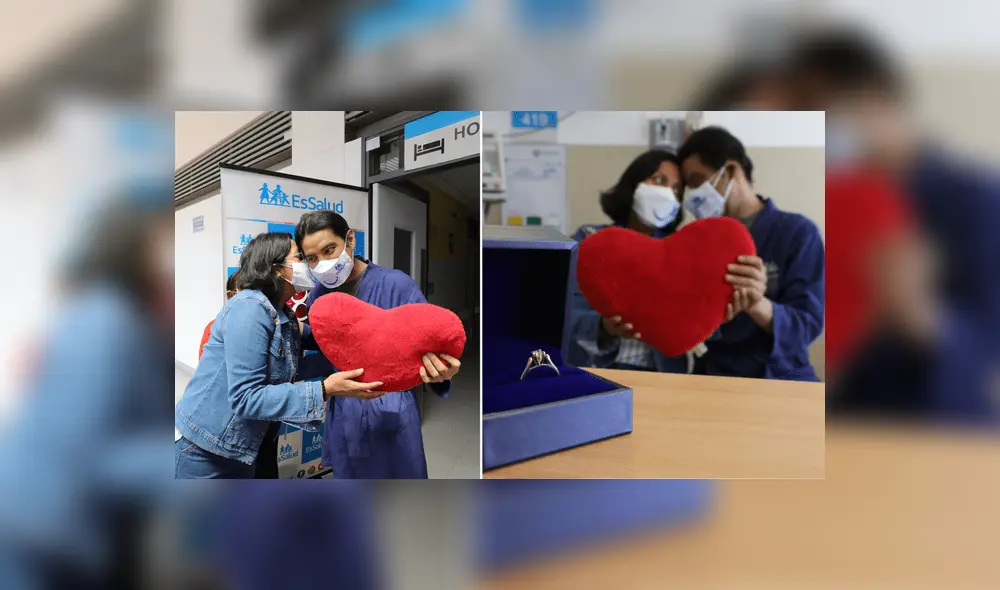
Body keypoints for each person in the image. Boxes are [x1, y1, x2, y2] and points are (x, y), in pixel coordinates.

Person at [787, 29, 1000, 420]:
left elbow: (987, 346)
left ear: (877, 96)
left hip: (939, 428)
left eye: (824, 110)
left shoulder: (975, 199)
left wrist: (920, 315)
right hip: (839, 419)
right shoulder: (827, 201)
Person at [175, 232, 386, 479]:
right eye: (299, 258)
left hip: (242, 446)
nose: (308, 265)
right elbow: (246, 397)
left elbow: (322, 342)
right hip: (206, 449)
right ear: (277, 269)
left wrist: (370, 345)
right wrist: (325, 389)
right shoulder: (250, 308)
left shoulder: (282, 315)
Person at [295, 211, 460, 479]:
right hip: (346, 409)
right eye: (312, 258)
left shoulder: (396, 284)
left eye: (330, 250)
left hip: (391, 407)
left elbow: (430, 345)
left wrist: (441, 372)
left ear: (350, 240)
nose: (322, 263)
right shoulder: (319, 296)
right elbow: (328, 349)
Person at [676, 126, 825, 381]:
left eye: (698, 182)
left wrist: (759, 305)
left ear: (732, 171)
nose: (692, 197)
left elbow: (808, 324)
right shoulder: (696, 241)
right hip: (715, 376)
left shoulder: (797, 233)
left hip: (780, 376)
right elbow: (688, 325)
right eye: (687, 189)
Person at [566, 150, 694, 374]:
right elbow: (561, 309)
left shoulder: (682, 253)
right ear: (634, 182)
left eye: (676, 190)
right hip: (597, 371)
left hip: (661, 376)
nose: (667, 193)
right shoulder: (590, 239)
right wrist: (602, 328)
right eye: (659, 180)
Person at [198, 270, 240, 361]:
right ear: (230, 295)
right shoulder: (212, 328)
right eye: (246, 296)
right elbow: (205, 371)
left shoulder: (262, 327)